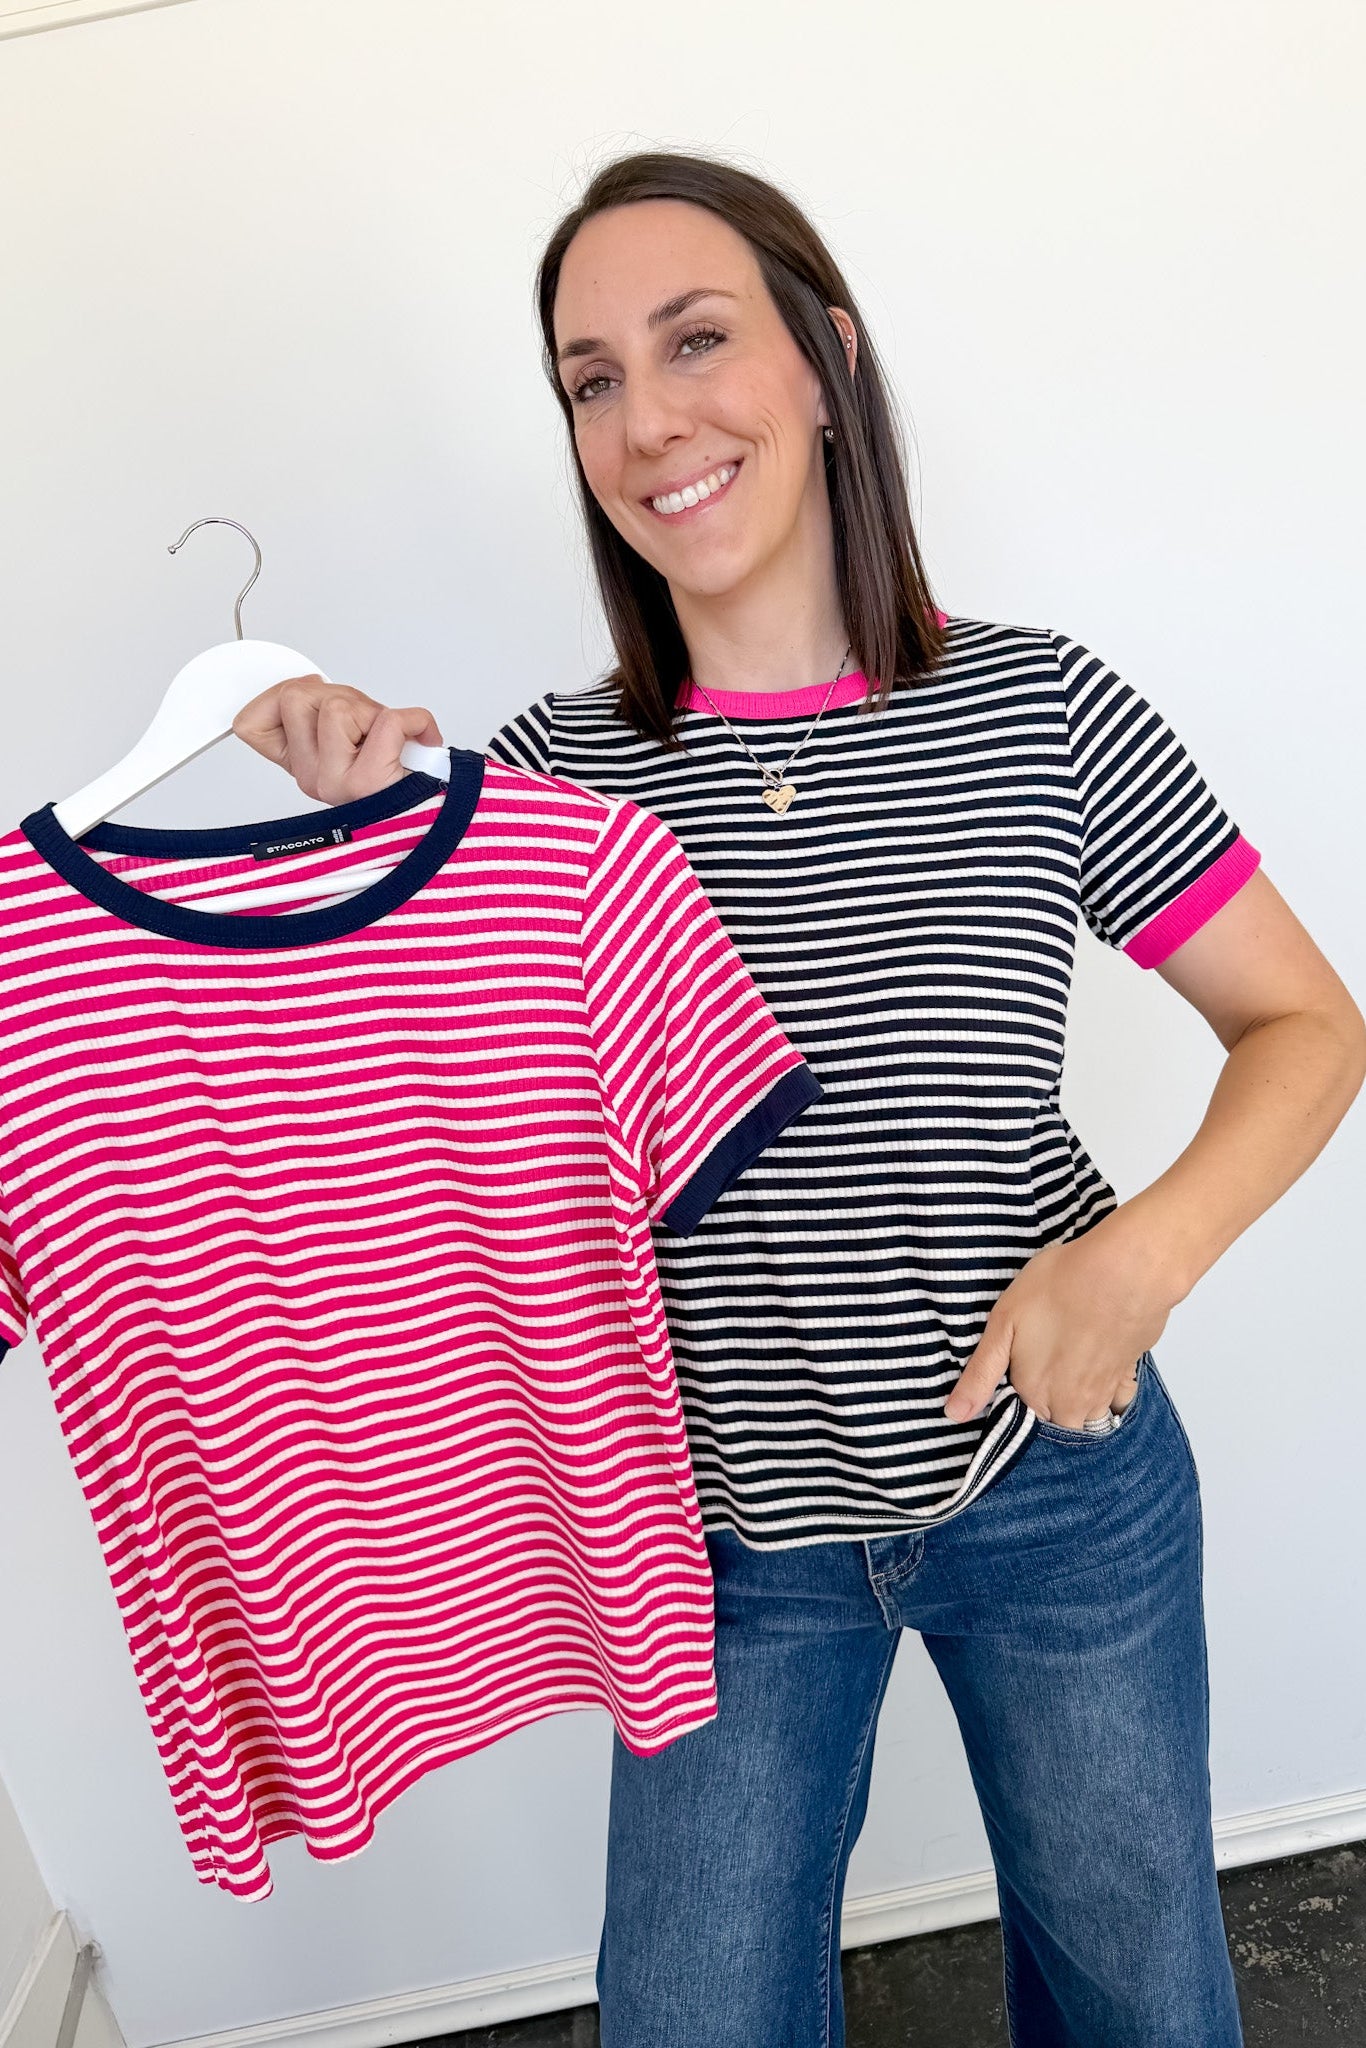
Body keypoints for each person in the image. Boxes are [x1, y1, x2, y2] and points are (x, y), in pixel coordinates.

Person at [234, 151, 1364, 2048]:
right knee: (688, 2016)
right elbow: (448, 1161)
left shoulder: (1040, 707)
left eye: (694, 340)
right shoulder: (540, 787)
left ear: (824, 358)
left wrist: (1133, 1267)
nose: (646, 415)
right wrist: (375, 879)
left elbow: (1306, 1028)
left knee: (1142, 1998)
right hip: (714, 1542)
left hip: (1055, 1494)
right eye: (589, 377)